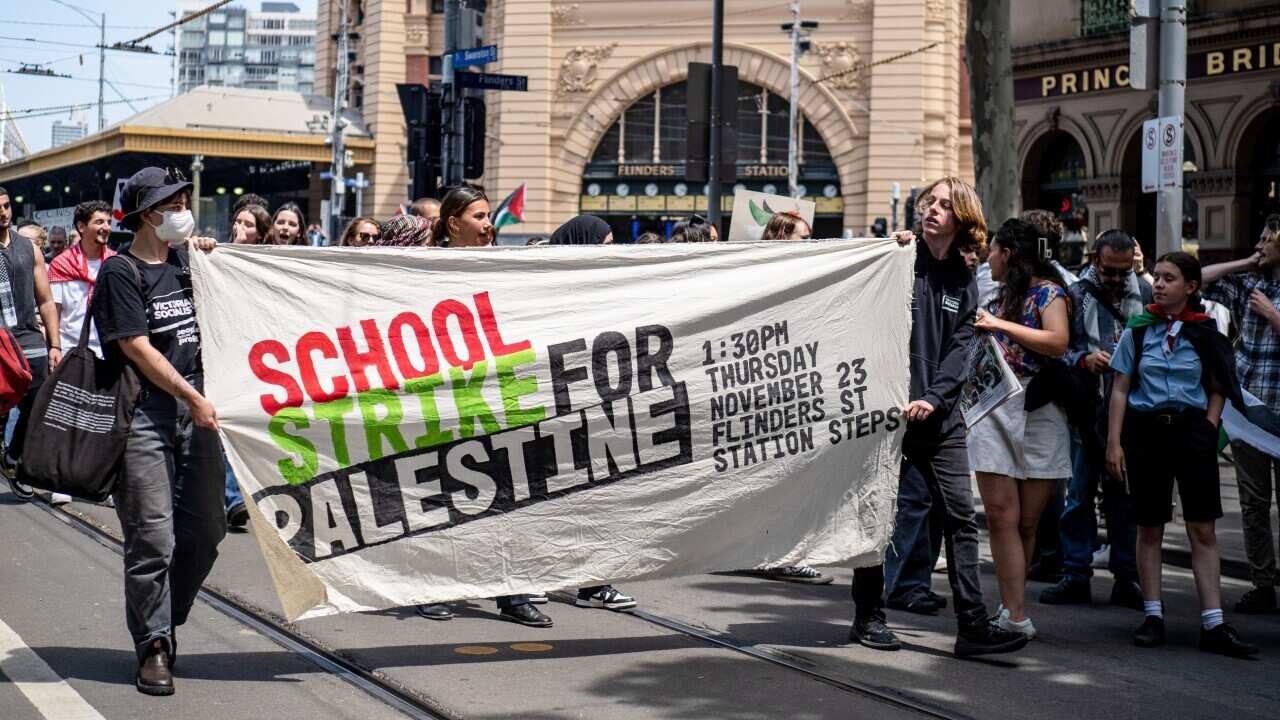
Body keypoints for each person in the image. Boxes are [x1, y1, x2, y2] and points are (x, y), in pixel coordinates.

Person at [851, 177, 1028, 659]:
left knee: (960, 520)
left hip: (940, 417)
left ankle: (972, 627)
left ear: (962, 219)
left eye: (945, 205)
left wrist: (934, 397)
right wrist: (888, 248)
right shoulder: (897, 259)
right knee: (879, 516)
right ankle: (868, 616)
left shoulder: (964, 280)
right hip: (888, 413)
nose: (932, 209)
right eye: (929, 201)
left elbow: (959, 348)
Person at [93, 166, 226, 694]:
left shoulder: (189, 264)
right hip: (148, 414)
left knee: (207, 531)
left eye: (185, 202)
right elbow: (135, 346)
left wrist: (220, 261)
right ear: (150, 213)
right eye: (175, 203)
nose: (184, 210)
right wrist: (191, 396)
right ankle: (153, 645)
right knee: (152, 537)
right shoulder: (121, 272)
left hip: (199, 413)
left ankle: (164, 619)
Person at [1107, 252, 1258, 657]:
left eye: (1169, 278)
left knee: (1202, 528)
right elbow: (1120, 388)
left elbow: (1217, 386)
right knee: (1150, 526)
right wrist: (1114, 442)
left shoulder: (1206, 332)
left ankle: (1213, 623)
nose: (1158, 283)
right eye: (1156, 276)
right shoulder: (1138, 330)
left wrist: (1209, 427)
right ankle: (1153, 615)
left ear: (1190, 287)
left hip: (1192, 433)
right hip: (1147, 434)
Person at [967, 218, 1071, 640]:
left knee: (1028, 521)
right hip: (994, 404)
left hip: (1040, 407)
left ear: (1007, 254)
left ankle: (1012, 607)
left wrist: (998, 326)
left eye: (993, 250)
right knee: (1001, 516)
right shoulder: (988, 291)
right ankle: (1014, 615)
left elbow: (1057, 341)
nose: (987, 257)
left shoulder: (1049, 291)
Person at [1040, 230, 1150, 609]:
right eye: (1109, 272)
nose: (1118, 280)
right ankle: (1075, 573)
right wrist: (1084, 360)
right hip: (1085, 411)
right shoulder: (1074, 294)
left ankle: (1126, 577)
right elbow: (1057, 348)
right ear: (1093, 260)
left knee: (1124, 500)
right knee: (1078, 497)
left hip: (1132, 415)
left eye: (1124, 272)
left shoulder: (1147, 294)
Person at [1201, 214, 1280, 614]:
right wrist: (1247, 264)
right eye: (1260, 237)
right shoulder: (1253, 283)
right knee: (1252, 503)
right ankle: (1263, 583)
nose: (1260, 244)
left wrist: (1273, 315)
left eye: (1268, 240)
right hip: (1248, 414)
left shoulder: (1264, 299)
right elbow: (1200, 277)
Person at [45, 201, 118, 506]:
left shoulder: (115, 263)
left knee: (103, 421)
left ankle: (101, 483)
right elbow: (55, 312)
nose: (105, 228)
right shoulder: (61, 265)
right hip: (73, 351)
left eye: (108, 222)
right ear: (81, 228)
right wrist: (54, 346)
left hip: (107, 352)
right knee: (67, 418)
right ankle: (62, 482)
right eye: (99, 222)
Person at [0, 187, 62, 499]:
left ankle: (13, 457)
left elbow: (47, 300)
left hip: (28, 339)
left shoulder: (30, 249)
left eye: (7, 206)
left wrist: (55, 344)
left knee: (40, 403)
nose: (3, 212)